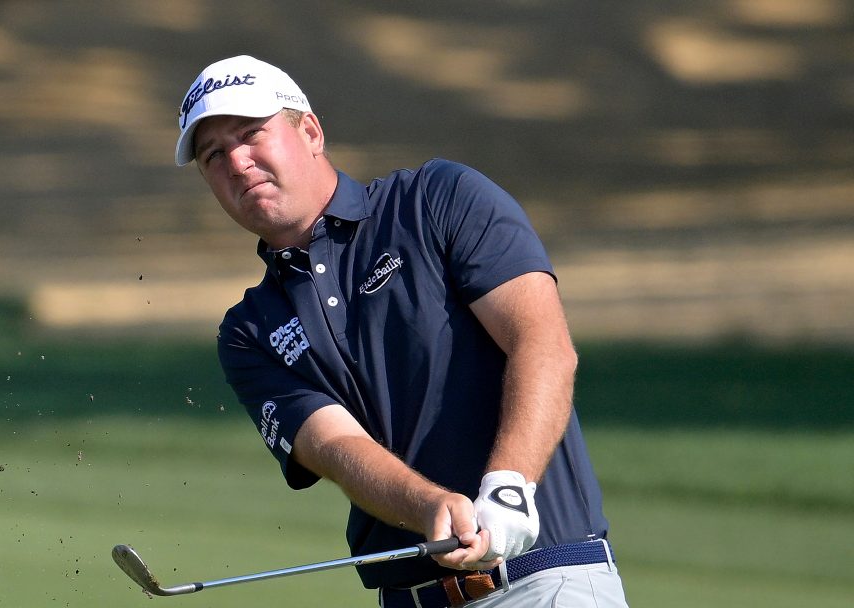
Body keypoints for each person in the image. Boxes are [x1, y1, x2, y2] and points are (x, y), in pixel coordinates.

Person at [174, 54, 629, 608]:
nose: (238, 162)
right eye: (213, 154)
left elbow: (543, 344)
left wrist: (509, 486)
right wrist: (428, 506)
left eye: (251, 134)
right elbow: (337, 446)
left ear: (310, 131)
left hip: (542, 582)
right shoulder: (249, 331)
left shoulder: (437, 200)